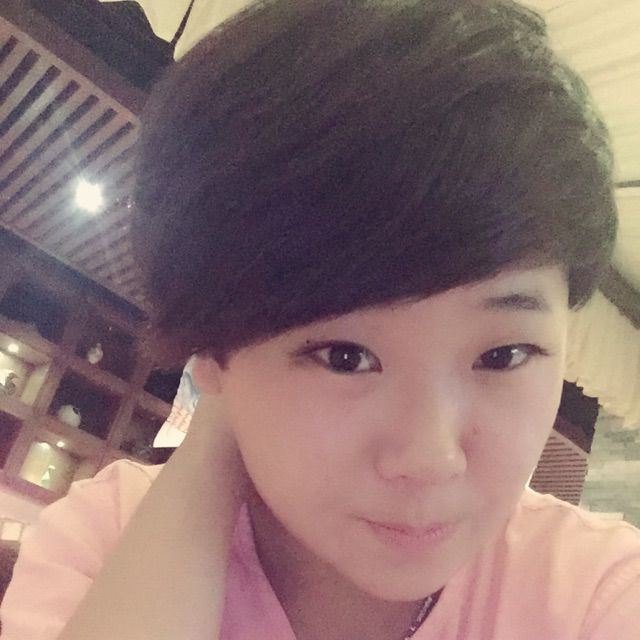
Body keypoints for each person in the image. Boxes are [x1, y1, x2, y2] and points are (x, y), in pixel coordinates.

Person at [2, 1, 639, 639]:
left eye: (503, 356)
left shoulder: (598, 591)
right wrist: (212, 436)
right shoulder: (107, 540)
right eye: (344, 356)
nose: (429, 458)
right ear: (211, 347)